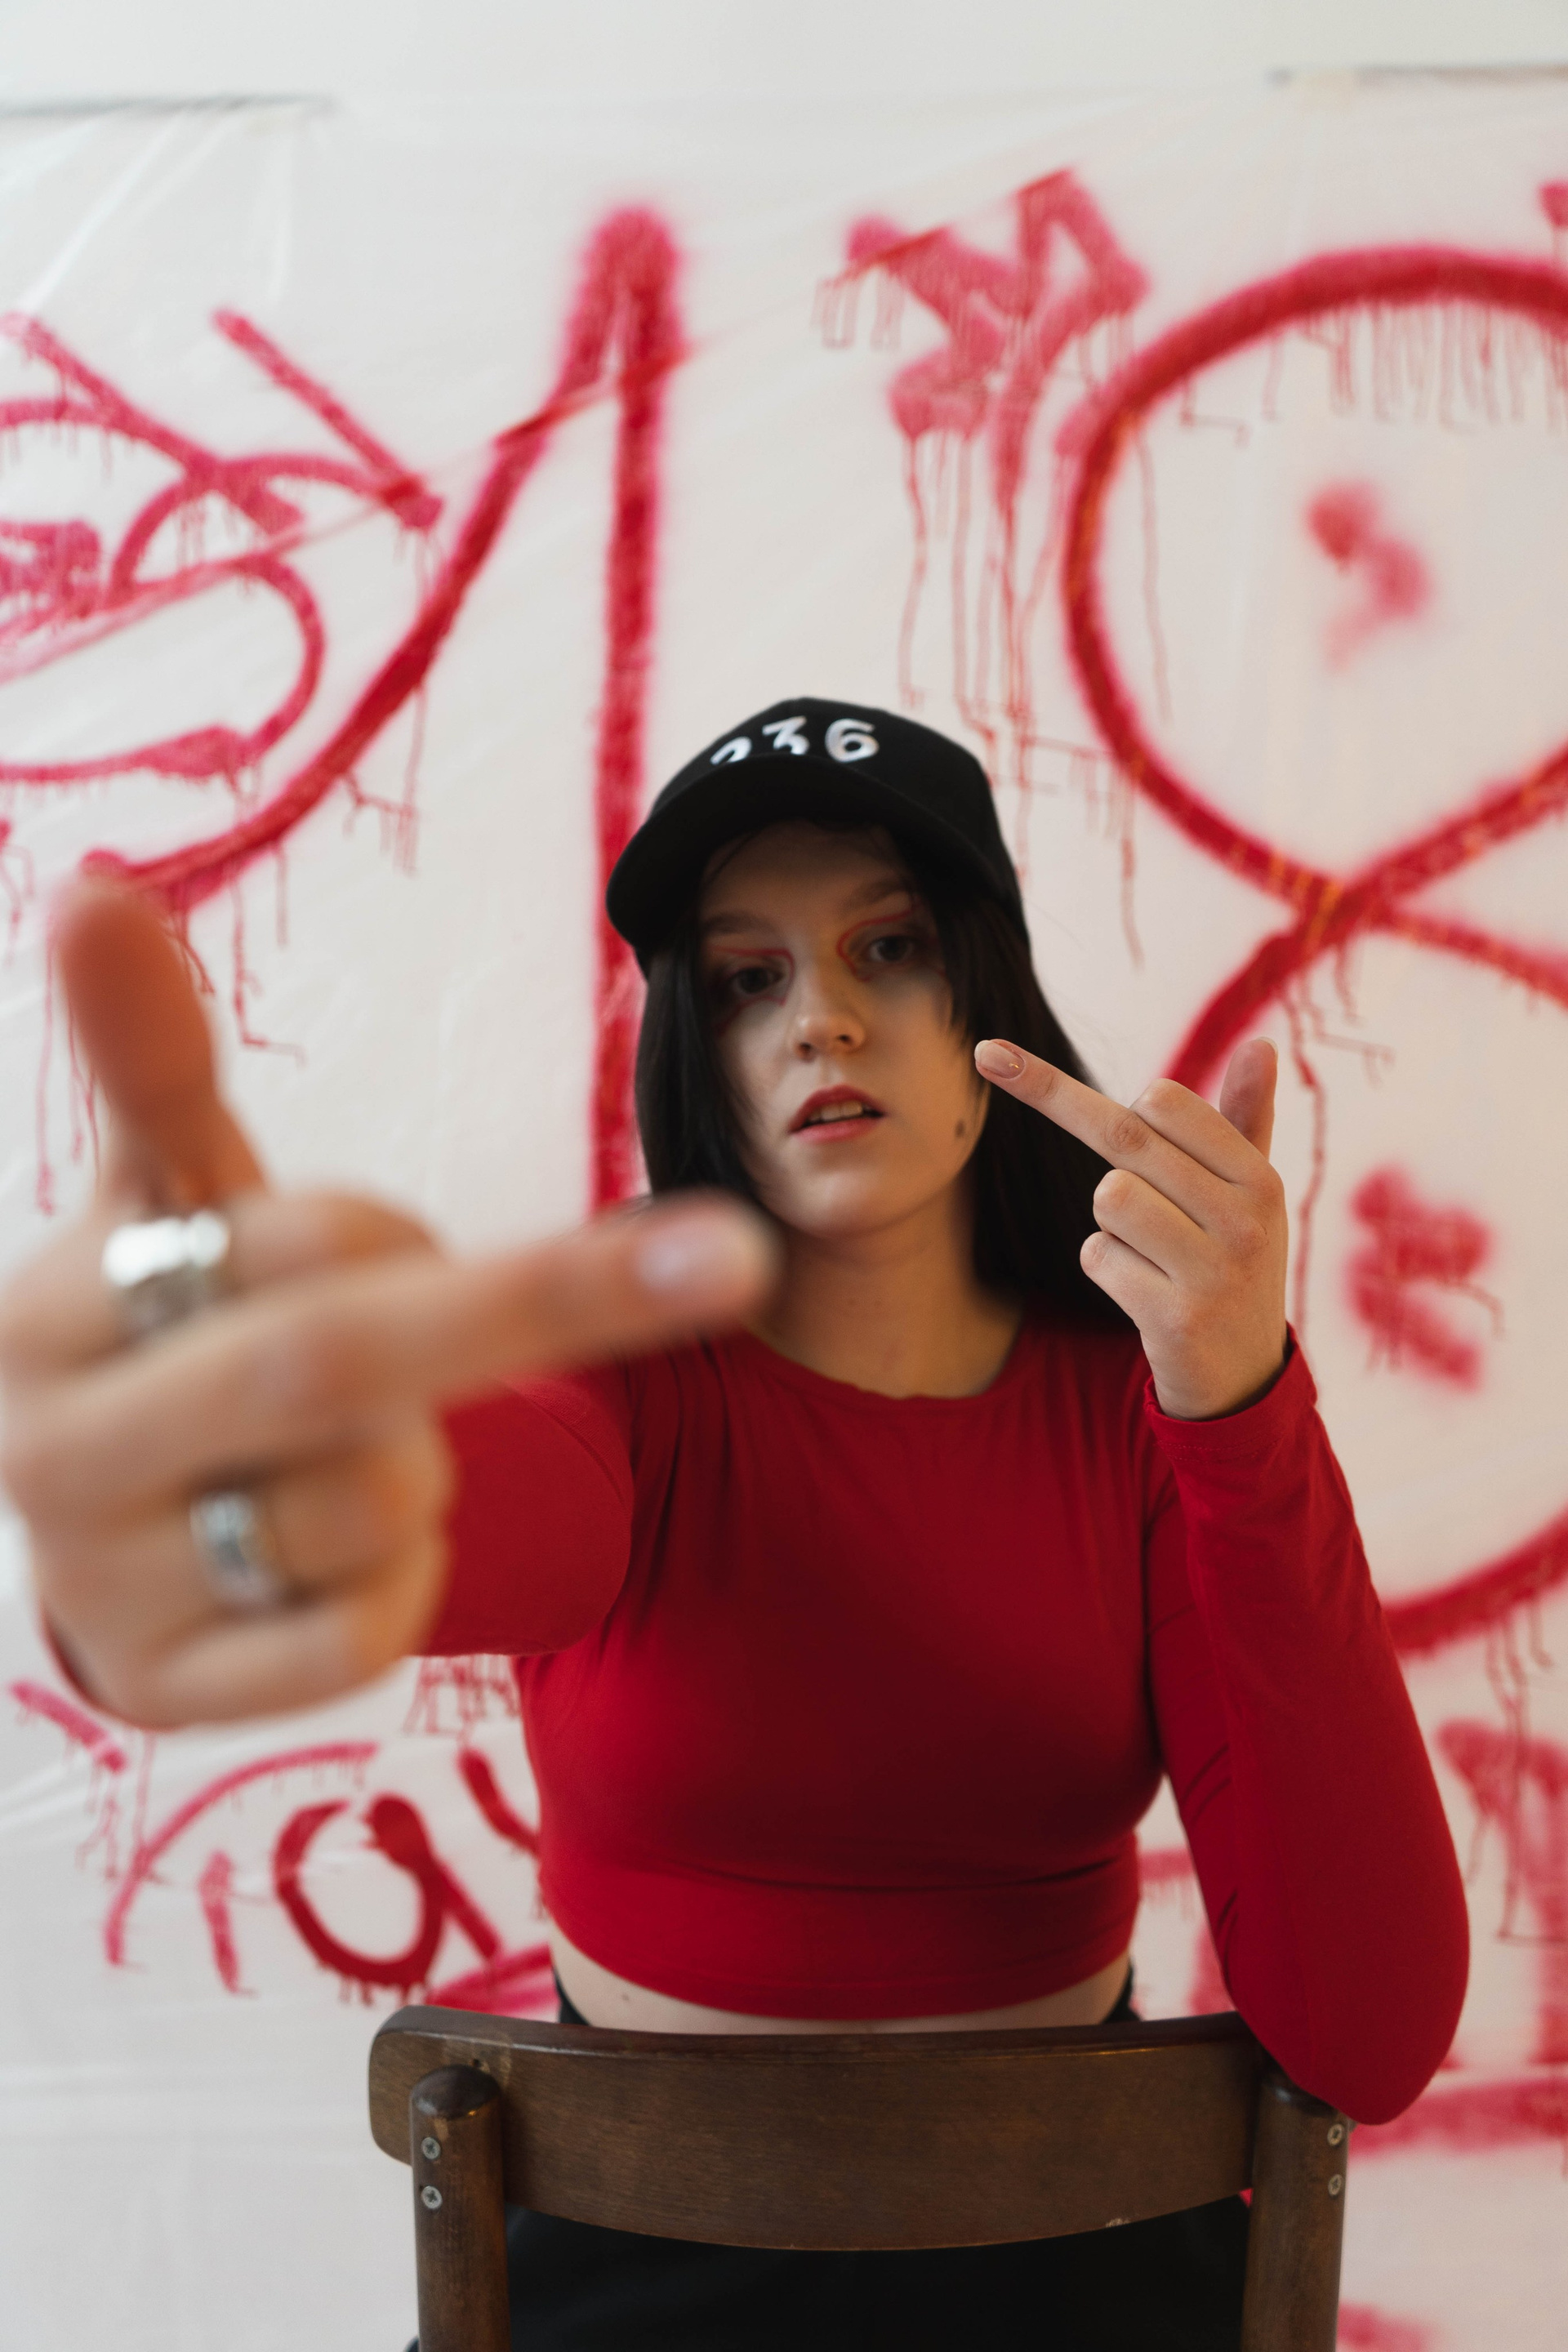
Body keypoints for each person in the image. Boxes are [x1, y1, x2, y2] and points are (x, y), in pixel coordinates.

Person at [0, 699, 1468, 2351]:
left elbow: (1368, 2034)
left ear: (987, 994)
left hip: (1089, 2276)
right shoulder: (614, 1377)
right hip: (627, 2286)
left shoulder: (1147, 1401)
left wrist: (1242, 1401)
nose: (820, 1018)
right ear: (691, 1050)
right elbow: (422, 1505)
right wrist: (211, 1483)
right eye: (745, 980)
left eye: (888, 949)